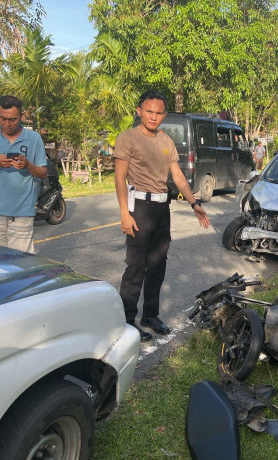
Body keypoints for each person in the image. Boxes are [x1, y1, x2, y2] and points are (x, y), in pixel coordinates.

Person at [114, 90, 210, 341]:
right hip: (139, 208)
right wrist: (124, 213)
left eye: (158, 113)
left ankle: (150, 316)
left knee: (157, 265)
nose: (153, 117)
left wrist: (194, 203)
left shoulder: (166, 141)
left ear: (164, 115)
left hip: (161, 208)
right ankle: (126, 321)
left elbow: (177, 175)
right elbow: (119, 178)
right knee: (135, 267)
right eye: (149, 111)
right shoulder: (128, 138)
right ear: (139, 111)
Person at [0, 95, 48, 253]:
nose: (7, 124)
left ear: (22, 116)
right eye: (3, 118)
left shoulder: (34, 138)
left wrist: (28, 165)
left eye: (13, 119)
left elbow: (43, 173)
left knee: (20, 264)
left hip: (22, 213)